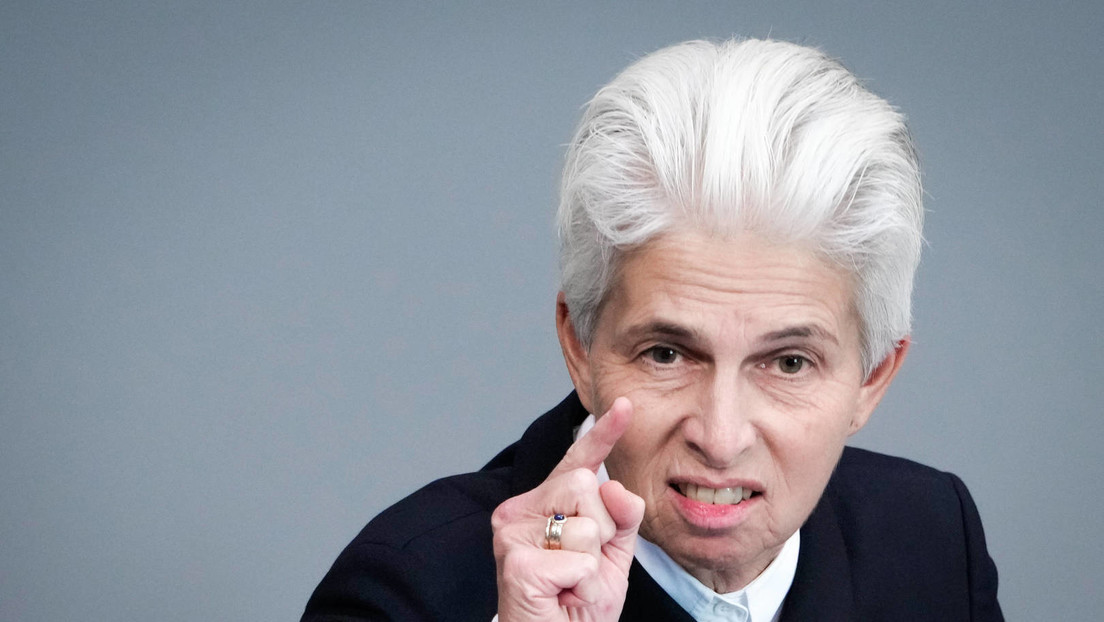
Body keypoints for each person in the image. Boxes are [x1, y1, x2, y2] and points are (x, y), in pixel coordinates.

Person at [302, 38, 1003, 621]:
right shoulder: (407, 589)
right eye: (667, 354)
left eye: (789, 363)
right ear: (580, 347)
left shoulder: (933, 535)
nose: (720, 438)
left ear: (873, 378)